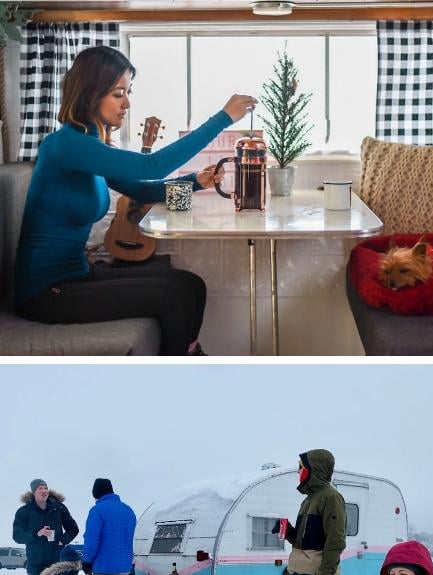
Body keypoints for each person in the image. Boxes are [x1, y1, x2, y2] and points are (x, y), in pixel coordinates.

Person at [13, 45, 257, 355]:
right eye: (118, 93)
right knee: (175, 296)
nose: (127, 103)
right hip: (46, 294)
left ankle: (187, 360)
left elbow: (143, 189)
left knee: (191, 285)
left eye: (128, 92)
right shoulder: (66, 145)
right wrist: (222, 119)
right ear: (90, 93)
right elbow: (151, 166)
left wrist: (195, 182)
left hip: (75, 275)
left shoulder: (90, 144)